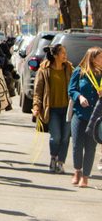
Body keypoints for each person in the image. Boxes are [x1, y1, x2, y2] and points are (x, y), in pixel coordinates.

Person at [32, 44, 73, 174]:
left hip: (67, 109)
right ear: (55, 55)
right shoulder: (44, 70)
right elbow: (38, 91)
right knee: (56, 137)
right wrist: (36, 106)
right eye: (63, 53)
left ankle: (61, 163)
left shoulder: (69, 69)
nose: (65, 55)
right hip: (52, 109)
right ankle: (53, 157)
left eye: (65, 53)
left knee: (66, 137)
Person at [68, 47, 102, 188]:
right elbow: (71, 89)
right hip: (80, 113)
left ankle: (86, 176)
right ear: (92, 58)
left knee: (90, 147)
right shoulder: (80, 72)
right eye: (100, 57)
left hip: (96, 117)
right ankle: (77, 171)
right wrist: (79, 97)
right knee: (77, 144)